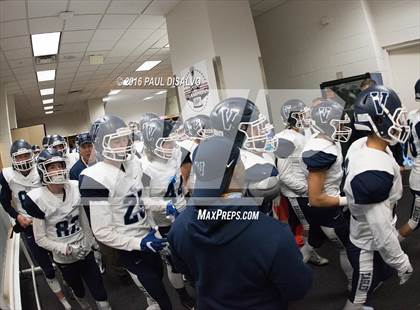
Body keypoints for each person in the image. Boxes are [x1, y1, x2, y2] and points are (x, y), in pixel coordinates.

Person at [168, 135, 313, 309]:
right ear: (235, 170)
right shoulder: (273, 234)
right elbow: (298, 289)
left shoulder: (178, 228)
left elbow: (188, 274)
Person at [79, 115, 172, 310]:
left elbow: (139, 199)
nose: (123, 144)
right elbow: (102, 231)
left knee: (158, 282)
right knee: (162, 297)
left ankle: (151, 303)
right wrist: (138, 243)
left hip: (149, 235)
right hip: (130, 247)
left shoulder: (133, 163)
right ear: (101, 144)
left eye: (124, 139)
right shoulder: (94, 177)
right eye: (115, 140)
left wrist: (163, 205)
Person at [342, 85, 413, 310]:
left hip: (363, 228)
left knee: (373, 279)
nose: (401, 121)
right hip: (366, 238)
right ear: (379, 120)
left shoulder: (361, 144)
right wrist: (401, 262)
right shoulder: (373, 170)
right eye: (395, 115)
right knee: (360, 293)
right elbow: (380, 228)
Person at [25, 149, 111, 310]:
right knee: (78, 291)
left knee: (101, 293)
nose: (57, 170)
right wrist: (65, 248)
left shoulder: (75, 186)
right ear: (42, 170)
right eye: (52, 167)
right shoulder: (37, 198)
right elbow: (40, 238)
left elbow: (83, 219)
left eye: (59, 165)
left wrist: (89, 241)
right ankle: (85, 306)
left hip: (84, 249)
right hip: (64, 256)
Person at [0, 140, 70, 309]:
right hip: (28, 224)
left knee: (61, 258)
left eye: (26, 155)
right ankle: (63, 301)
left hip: (48, 221)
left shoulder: (41, 168)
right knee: (46, 266)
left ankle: (70, 283)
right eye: (20, 156)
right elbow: (4, 201)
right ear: (13, 159)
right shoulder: (7, 174)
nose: (24, 159)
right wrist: (17, 216)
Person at [140, 118, 195, 309]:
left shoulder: (175, 154)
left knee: (194, 252)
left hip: (184, 211)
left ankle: (198, 283)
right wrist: (164, 206)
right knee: (174, 261)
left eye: (171, 139)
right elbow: (142, 200)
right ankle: (182, 295)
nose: (171, 144)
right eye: (166, 141)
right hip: (164, 221)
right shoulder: (144, 168)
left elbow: (186, 177)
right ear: (152, 144)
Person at [301, 99, 353, 289]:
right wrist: (348, 200)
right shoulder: (321, 150)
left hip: (322, 205)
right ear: (327, 123)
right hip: (326, 208)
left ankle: (286, 276)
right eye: (339, 121)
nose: (344, 125)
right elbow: (316, 198)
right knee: (346, 248)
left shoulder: (326, 140)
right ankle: (352, 287)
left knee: (311, 244)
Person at [274, 99, 328, 266]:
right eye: (303, 114)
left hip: (305, 189)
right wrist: (307, 189)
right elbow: (283, 174)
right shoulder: (285, 139)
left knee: (312, 227)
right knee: (308, 227)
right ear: (293, 117)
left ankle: (307, 254)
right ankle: (297, 265)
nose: (306, 117)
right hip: (297, 193)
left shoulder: (300, 134)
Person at [399, 78, 420, 239]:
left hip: (415, 173)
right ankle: (391, 248)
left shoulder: (413, 116)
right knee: (415, 220)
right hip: (419, 181)